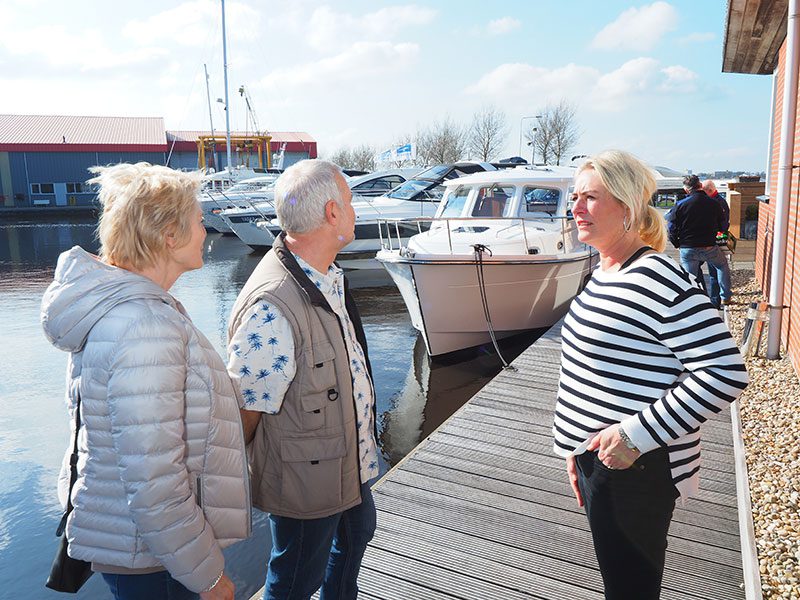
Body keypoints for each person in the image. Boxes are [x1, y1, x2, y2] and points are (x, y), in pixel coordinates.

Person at [40, 163, 250, 600]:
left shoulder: (134, 311)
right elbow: (155, 478)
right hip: (154, 559)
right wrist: (208, 577)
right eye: (197, 220)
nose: (206, 230)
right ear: (168, 236)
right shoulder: (143, 325)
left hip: (146, 548)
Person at [552, 150, 749, 600]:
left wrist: (635, 436)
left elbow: (725, 371)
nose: (576, 208)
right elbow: (591, 369)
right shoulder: (606, 270)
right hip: (596, 458)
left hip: (633, 466)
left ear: (627, 207)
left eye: (591, 198)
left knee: (630, 589)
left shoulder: (657, 276)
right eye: (575, 197)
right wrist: (573, 448)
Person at [227, 159, 377, 600]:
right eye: (349, 202)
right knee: (294, 579)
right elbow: (245, 410)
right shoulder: (273, 304)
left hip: (345, 460)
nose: (354, 210)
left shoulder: (325, 276)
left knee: (357, 534)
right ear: (333, 213)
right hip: (306, 480)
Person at [668, 174, 732, 306]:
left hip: (688, 248)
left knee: (691, 278)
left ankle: (696, 304)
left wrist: (677, 244)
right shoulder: (714, 203)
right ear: (700, 186)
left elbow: (671, 228)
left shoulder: (679, 205)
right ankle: (725, 296)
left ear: (686, 190)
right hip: (709, 246)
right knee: (722, 266)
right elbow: (723, 226)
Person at [702, 179, 733, 306]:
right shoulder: (720, 201)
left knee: (715, 272)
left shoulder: (715, 203)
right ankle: (718, 297)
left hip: (714, 240)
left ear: (709, 191)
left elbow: (722, 225)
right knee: (717, 269)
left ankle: (715, 300)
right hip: (717, 238)